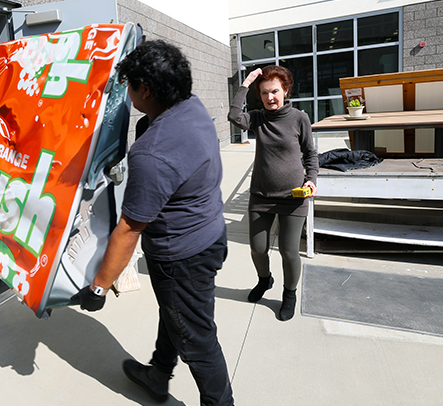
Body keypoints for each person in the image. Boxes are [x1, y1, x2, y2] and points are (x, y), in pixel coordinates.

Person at [71, 41, 234, 406]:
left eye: (128, 86)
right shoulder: (192, 107)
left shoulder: (153, 152)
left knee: (198, 340)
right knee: (174, 311)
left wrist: (99, 287)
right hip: (210, 234)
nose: (126, 94)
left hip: (181, 257)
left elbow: (129, 230)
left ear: (146, 90)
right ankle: (158, 374)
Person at [228, 66, 318, 321]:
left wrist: (311, 179)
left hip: (293, 197)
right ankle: (265, 280)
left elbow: (310, 154)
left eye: (275, 91)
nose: (270, 98)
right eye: (265, 93)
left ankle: (289, 294)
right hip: (261, 195)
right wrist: (245, 83)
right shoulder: (257, 117)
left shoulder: (300, 118)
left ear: (286, 90)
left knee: (289, 252)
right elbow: (234, 116)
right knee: (258, 248)